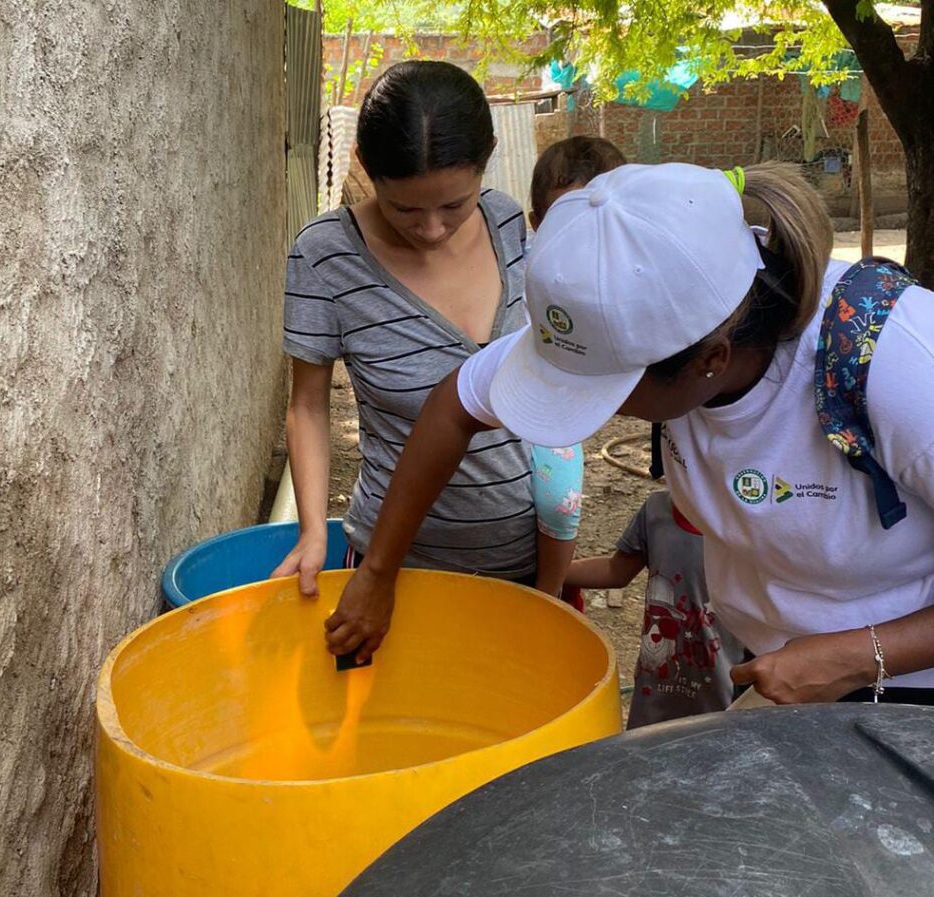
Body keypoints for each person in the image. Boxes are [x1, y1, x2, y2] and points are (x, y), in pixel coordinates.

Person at [327, 160, 934, 708]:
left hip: (906, 692)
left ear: (710, 360)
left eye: (604, 392)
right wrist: (378, 571)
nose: (585, 407)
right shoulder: (639, 315)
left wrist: (855, 658)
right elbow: (453, 405)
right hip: (788, 667)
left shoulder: (900, 369)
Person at [271, 60, 539, 613]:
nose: (433, 229)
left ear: (487, 158)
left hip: (525, 555)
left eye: (455, 205)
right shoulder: (325, 256)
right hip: (393, 568)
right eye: (405, 208)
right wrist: (313, 530)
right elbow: (308, 406)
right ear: (365, 165)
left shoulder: (508, 222)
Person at [527, 136, 626, 598]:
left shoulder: (626, 270)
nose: (582, 235)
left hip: (558, 410)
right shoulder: (528, 269)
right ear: (537, 223)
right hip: (523, 390)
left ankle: (548, 594)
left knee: (558, 503)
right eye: (564, 220)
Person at [564, 491, 744, 727]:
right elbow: (616, 571)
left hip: (725, 699)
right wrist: (547, 571)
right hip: (655, 690)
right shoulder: (656, 511)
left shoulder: (752, 529)